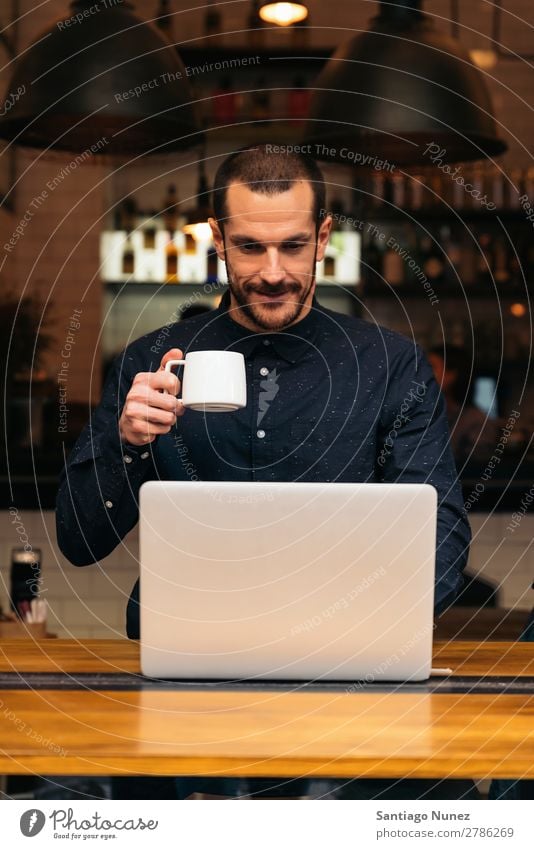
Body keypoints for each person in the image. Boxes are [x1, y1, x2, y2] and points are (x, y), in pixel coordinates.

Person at [56, 145, 473, 799]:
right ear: (218, 238)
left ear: (324, 238)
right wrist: (126, 441)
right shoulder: (153, 362)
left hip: (347, 701)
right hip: (177, 703)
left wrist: (367, 641)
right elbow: (80, 542)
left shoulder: (390, 367)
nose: (273, 272)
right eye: (249, 247)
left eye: (293, 246)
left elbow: (441, 538)